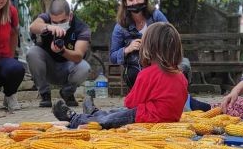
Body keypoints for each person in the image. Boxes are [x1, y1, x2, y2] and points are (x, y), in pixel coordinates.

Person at [54, 22, 188, 129]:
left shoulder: (148, 74)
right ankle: (94, 112)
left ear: (148, 48)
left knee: (108, 120)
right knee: (116, 112)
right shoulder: (181, 75)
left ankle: (74, 118)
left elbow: (130, 103)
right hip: (171, 118)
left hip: (146, 118)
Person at [27, 0, 91, 108]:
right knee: (32, 52)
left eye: (62, 21)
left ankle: (67, 92)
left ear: (70, 16)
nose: (59, 25)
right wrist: (49, 27)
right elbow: (33, 27)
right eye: (55, 22)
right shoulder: (46, 18)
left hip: (68, 68)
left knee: (84, 67)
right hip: (47, 67)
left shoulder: (82, 28)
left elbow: (79, 55)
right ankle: (44, 93)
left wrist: (62, 51)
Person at [109, 0, 169, 88]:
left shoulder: (156, 16)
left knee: (182, 68)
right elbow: (113, 57)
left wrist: (155, 44)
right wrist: (128, 49)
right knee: (134, 74)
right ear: (125, 3)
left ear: (145, 0)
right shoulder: (120, 27)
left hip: (160, 61)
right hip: (136, 66)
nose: (135, 2)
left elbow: (170, 35)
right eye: (131, 0)